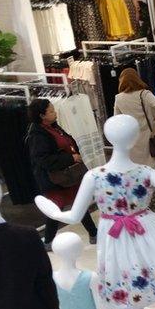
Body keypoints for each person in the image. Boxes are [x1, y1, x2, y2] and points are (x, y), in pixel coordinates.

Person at [25, 98, 98, 250]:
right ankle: (49, 241)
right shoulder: (37, 135)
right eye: (51, 111)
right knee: (55, 210)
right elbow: (43, 160)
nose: (55, 112)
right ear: (41, 115)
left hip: (67, 176)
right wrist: (70, 158)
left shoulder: (53, 127)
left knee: (80, 203)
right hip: (55, 180)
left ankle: (93, 234)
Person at [113, 68, 155, 208]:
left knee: (139, 170)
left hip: (132, 140)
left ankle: (143, 198)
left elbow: (116, 118)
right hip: (150, 138)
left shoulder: (119, 98)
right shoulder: (144, 94)